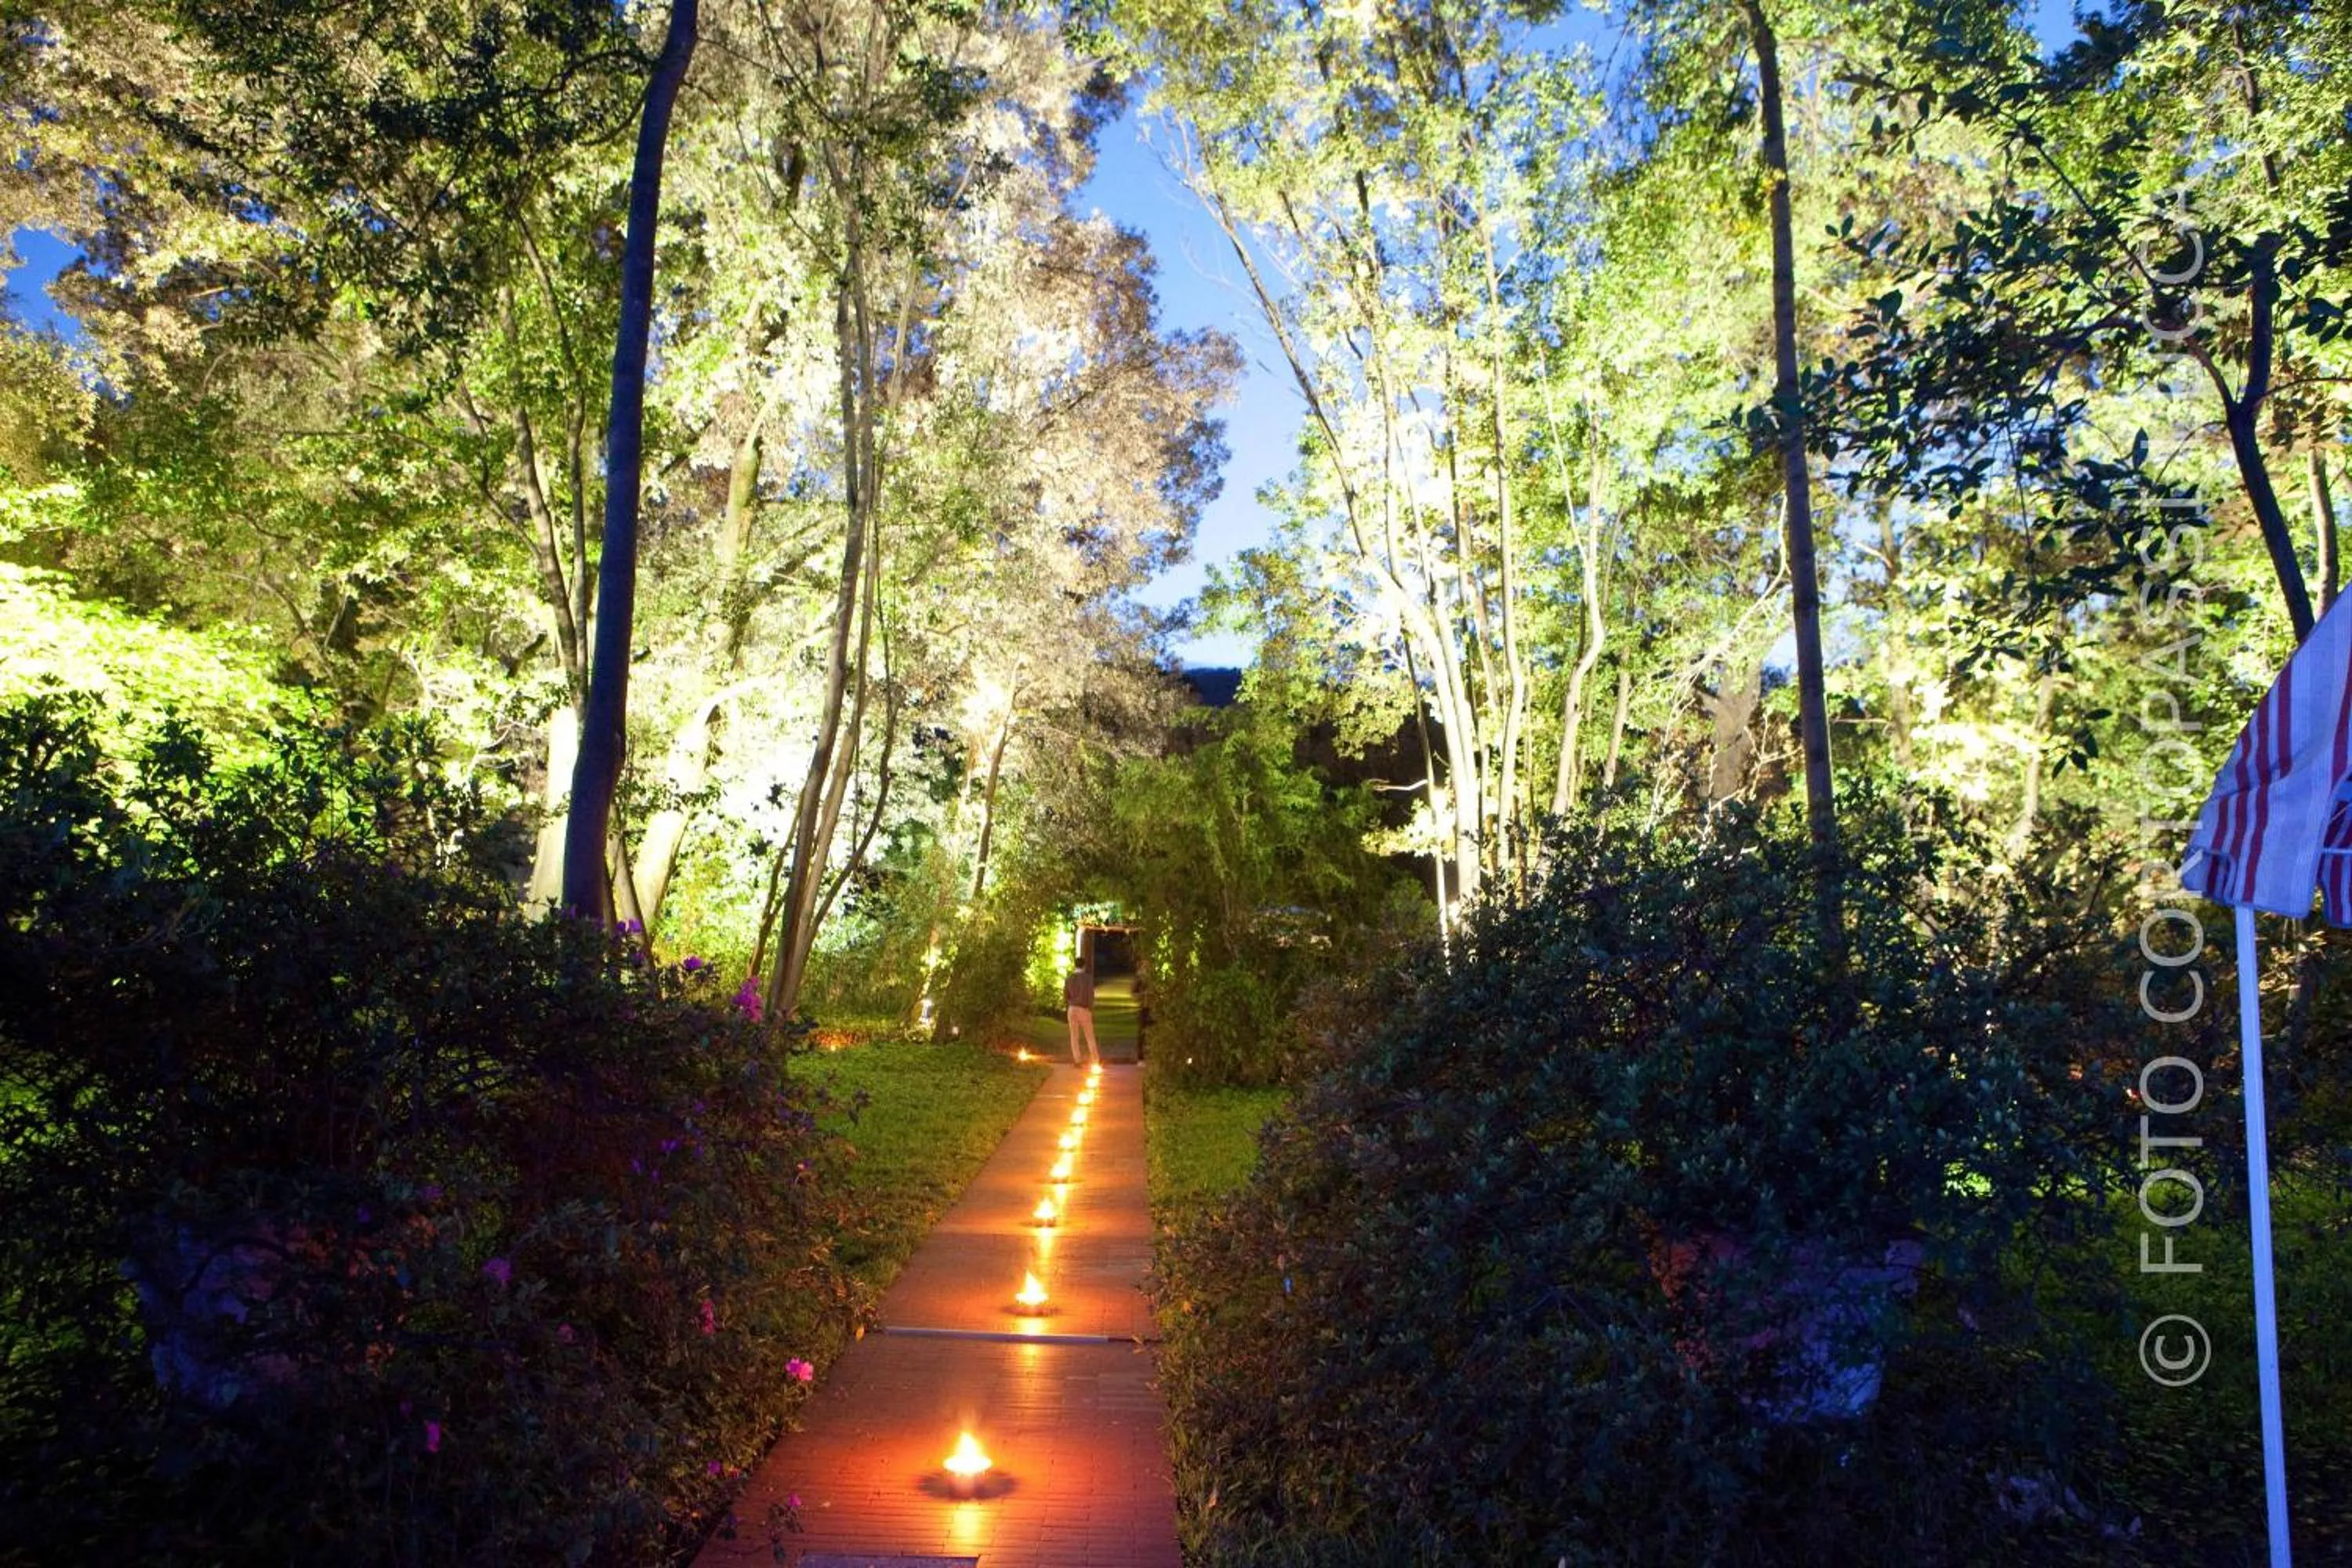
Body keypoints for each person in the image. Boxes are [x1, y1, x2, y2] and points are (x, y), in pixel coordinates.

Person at [1062, 964, 1101, 1067]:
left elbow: (1065, 995)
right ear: (1084, 966)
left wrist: (1070, 1002)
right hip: (1083, 1008)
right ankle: (1095, 1060)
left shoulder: (1069, 978)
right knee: (1089, 1036)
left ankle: (1077, 1060)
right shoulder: (1087, 979)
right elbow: (1090, 995)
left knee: (1074, 1036)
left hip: (1072, 1008)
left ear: (1075, 965)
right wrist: (1090, 1007)